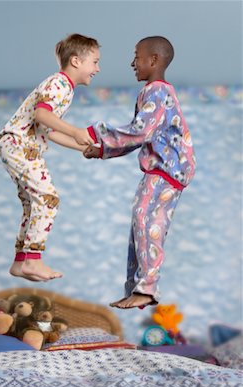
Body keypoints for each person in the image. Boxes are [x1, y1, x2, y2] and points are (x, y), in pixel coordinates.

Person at [83, 36, 196, 309]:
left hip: (165, 170)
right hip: (167, 171)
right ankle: (138, 288)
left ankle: (145, 288)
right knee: (142, 222)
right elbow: (141, 137)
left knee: (146, 220)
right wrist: (102, 151)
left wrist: (96, 134)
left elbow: (140, 132)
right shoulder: (155, 92)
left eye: (137, 56)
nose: (133, 63)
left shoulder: (157, 91)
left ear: (154, 60)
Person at [0, 33, 100, 282]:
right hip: (19, 144)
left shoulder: (64, 88)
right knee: (48, 198)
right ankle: (33, 259)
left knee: (33, 203)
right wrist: (76, 131)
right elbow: (43, 116)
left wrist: (82, 147)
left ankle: (21, 262)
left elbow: (49, 130)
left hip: (17, 145)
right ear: (76, 61)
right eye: (95, 62)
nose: (97, 69)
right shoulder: (59, 84)